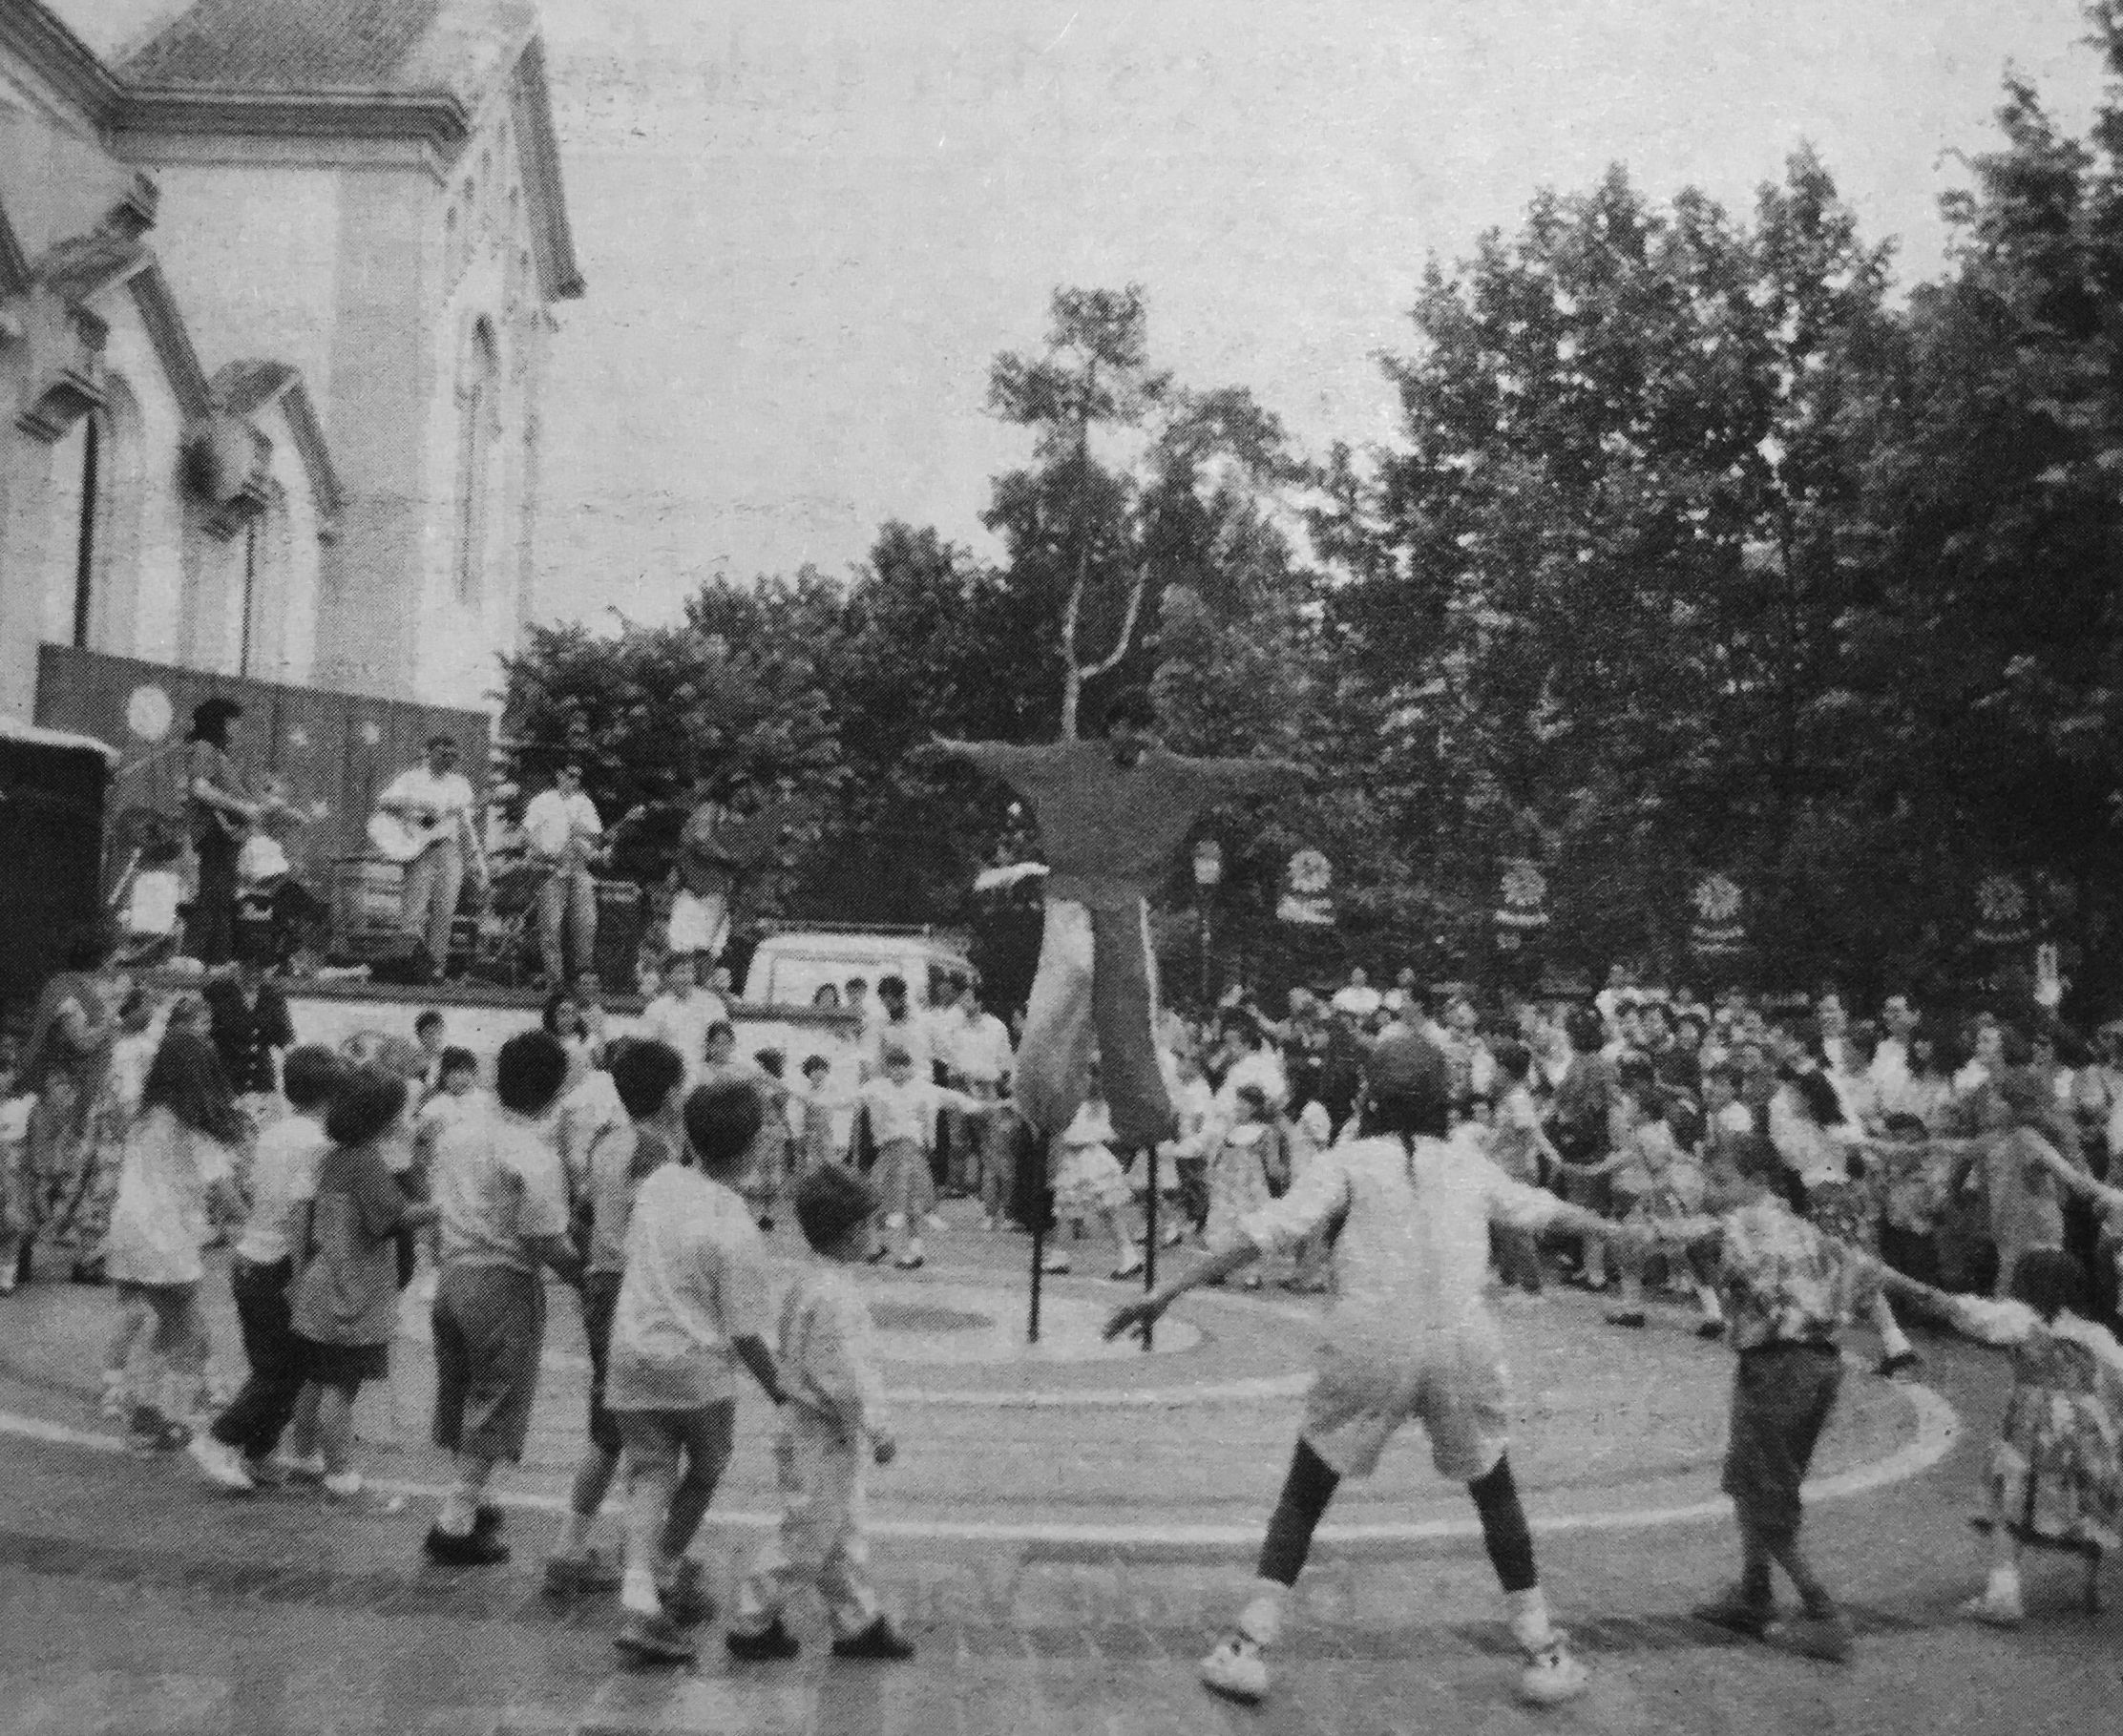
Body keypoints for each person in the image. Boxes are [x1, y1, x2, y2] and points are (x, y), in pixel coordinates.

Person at [1105, 1031, 1641, 1709]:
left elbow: (1265, 1230)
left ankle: (1250, 1641)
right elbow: (1542, 1208)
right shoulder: (1467, 1160)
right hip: (1460, 1340)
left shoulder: (1350, 1159)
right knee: (1493, 1487)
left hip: (1368, 1340)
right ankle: (1543, 1648)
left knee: (1308, 1486)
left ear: (1373, 1094)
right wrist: (1619, 1232)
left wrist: (1167, 1291)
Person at [918, 687, 1303, 1155]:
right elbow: (1013, 759)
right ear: (1112, 728)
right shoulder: (1072, 761)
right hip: (1070, 892)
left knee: (1130, 998)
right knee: (1076, 971)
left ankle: (1142, 1115)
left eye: (1148, 742)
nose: (1140, 750)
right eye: (1133, 740)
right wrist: (961, 750)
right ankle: (1041, 1092)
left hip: (1122, 898)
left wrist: (1280, 774)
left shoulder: (1162, 766)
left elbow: (1221, 774)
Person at [1649, 1137, 1865, 1663]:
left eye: (1722, 1181)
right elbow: (1860, 1271)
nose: (1712, 1191)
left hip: (1780, 1366)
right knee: (1756, 1479)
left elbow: (1667, 1235)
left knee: (1765, 1489)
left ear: (1757, 1181)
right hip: (1814, 1363)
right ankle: (1754, 1591)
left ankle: (1822, 1613)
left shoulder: (1742, 1223)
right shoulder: (1804, 1227)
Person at [605, 1079, 790, 1664]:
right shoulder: (735, 1224)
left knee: (649, 1471)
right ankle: (660, 1572)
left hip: (632, 1353)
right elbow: (745, 1331)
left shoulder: (659, 1183)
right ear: (754, 1146)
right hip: (697, 1370)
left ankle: (640, 1591)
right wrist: (781, 1390)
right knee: (706, 1467)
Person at [725, 1164, 914, 1663]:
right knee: (809, 1534)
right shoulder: (835, 1296)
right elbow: (844, 1376)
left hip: (811, 1427)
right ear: (853, 1233)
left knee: (839, 1527)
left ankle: (856, 1620)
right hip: (822, 1432)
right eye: (872, 1226)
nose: (876, 1235)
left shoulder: (810, 1282)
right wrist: (880, 1429)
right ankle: (751, 1618)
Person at [1876, 1247, 2119, 1625]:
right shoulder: (2094, 1333)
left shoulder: (2017, 1319)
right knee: (2085, 1499)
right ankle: (2090, 1588)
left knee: (2012, 1501)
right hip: (2088, 1424)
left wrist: (1894, 1278)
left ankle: (2003, 1593)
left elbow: (1953, 1307)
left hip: (2033, 1421)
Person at [424, 1030, 583, 1565]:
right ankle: (456, 1520)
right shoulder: (533, 1155)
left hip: (451, 1275)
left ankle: (476, 1496)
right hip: (503, 1279)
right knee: (497, 1399)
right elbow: (545, 1239)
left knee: (462, 1388)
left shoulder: (458, 1130)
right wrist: (585, 1277)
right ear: (554, 1092)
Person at [545, 1038, 687, 1600]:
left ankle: (584, 1542)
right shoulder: (656, 1149)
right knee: (629, 1424)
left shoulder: (608, 1139)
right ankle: (582, 1548)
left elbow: (581, 1213)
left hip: (604, 1281)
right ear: (671, 1091)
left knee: (613, 1417)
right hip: (633, 1288)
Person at [190, 1045, 345, 1492]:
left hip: (249, 1259)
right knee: (284, 1370)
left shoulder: (276, 1132)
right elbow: (302, 1213)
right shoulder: (319, 1145)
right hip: (280, 1264)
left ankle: (259, 1452)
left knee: (277, 1366)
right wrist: (302, 1276)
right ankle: (219, 1440)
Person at [285, 1067, 436, 1498]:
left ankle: (304, 1455)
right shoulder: (367, 1162)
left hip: (321, 1282)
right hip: (352, 1290)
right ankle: (341, 1472)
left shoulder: (334, 1156)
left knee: (314, 1377)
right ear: (381, 1118)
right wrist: (442, 1207)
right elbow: (392, 1217)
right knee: (341, 1385)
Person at [100, 1033, 248, 1452]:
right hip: (168, 1239)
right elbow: (224, 1193)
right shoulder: (193, 1128)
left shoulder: (144, 1117)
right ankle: (160, 1416)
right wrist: (254, 1222)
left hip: (129, 1232)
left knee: (168, 1323)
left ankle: (151, 1410)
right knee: (178, 1331)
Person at [19, 922, 127, 1285]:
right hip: (67, 1097)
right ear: (101, 955)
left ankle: (89, 1257)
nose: (120, 959)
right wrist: (113, 1019)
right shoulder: (64, 988)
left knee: (103, 1176)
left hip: (100, 1096)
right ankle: (18, 1249)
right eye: (116, 952)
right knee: (53, 1172)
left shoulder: (98, 988)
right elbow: (81, 1041)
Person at [853, 1040, 1005, 1269]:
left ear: (910, 1066)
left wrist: (992, 1106)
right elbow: (849, 1098)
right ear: (887, 1067)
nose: (898, 1071)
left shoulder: (923, 1088)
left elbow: (958, 1101)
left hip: (911, 1152)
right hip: (887, 1153)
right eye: (893, 1066)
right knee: (874, 1200)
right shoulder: (877, 1087)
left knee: (910, 1204)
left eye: (902, 1065)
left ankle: (914, 1251)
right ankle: (877, 1246)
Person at [378, 735, 487, 975]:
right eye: (442, 752)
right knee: (414, 909)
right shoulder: (411, 779)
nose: (448, 758)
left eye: (452, 754)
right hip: (420, 848)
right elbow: (384, 801)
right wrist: (417, 806)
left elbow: (467, 820)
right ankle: (408, 967)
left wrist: (472, 858)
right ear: (428, 753)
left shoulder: (460, 783)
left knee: (445, 909)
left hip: (449, 849)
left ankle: (435, 969)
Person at [1049, 1063, 1145, 1282]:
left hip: (1086, 1159)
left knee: (1103, 1210)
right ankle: (1060, 1256)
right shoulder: (1090, 1103)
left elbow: (1073, 1137)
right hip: (1085, 1159)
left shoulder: (1085, 1105)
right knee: (1071, 1210)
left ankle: (1128, 1256)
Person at [182, 697, 259, 966]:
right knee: (213, 898)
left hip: (225, 837)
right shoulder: (204, 749)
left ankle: (217, 959)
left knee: (222, 900)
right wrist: (242, 807)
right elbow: (200, 789)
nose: (238, 728)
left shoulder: (218, 755)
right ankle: (192, 957)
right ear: (220, 723)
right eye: (233, 722)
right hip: (215, 834)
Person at [524, 760, 603, 988]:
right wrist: (543, 854)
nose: (574, 780)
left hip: (578, 867)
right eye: (570, 775)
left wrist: (585, 834)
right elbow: (527, 832)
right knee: (551, 925)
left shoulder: (584, 803)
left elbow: (597, 837)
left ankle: (583, 976)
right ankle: (555, 980)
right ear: (559, 774)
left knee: (587, 922)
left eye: (578, 776)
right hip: (551, 868)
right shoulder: (542, 801)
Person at [641, 952, 726, 1090]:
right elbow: (647, 1049)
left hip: (706, 1076)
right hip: (669, 1079)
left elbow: (723, 1041)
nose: (686, 977)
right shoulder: (656, 1008)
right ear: (668, 977)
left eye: (690, 972)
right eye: (680, 972)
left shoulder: (712, 1003)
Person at [0, 1042, 33, 1295]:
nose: (6, 1077)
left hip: (11, 1174)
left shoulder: (23, 1105)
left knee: (12, 1226)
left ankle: (7, 1278)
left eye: (7, 1071)